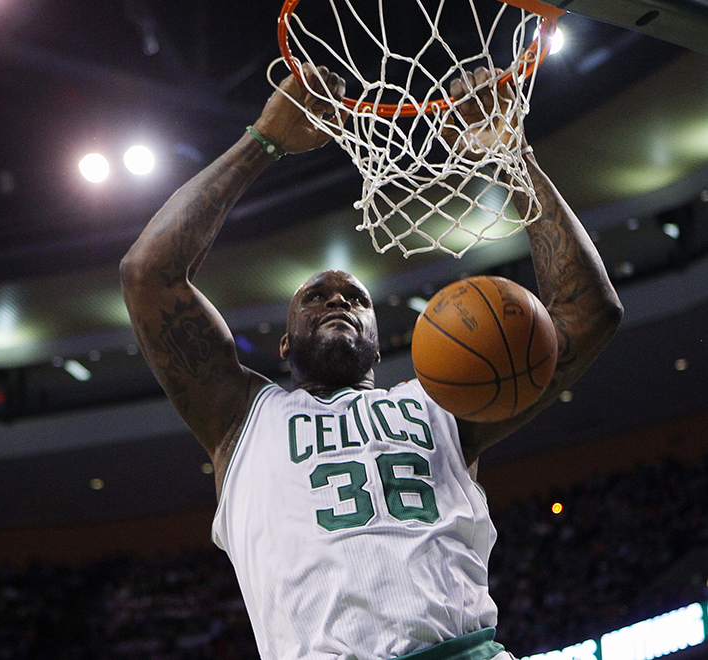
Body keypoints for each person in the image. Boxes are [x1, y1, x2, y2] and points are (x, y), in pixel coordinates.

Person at [120, 64, 622, 660]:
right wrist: (263, 140)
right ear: (283, 346)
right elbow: (147, 273)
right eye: (316, 297)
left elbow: (589, 316)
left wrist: (511, 152)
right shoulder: (240, 418)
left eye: (355, 299)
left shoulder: (443, 407)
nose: (338, 299)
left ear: (379, 344)